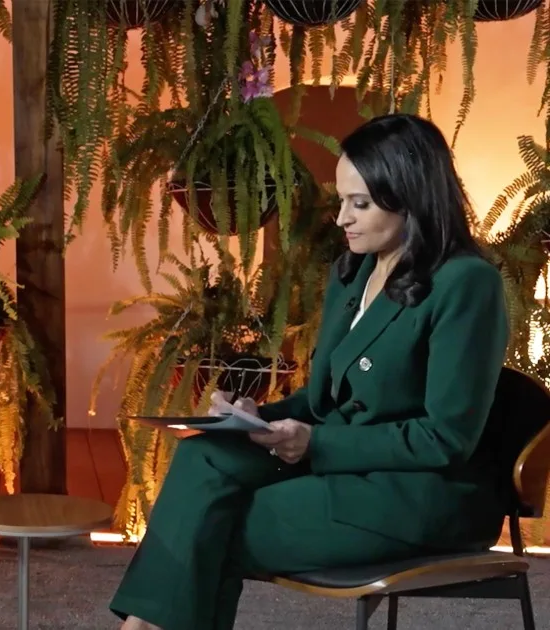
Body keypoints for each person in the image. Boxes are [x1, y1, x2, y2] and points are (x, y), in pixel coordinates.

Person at [110, 113, 511, 630]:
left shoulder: (466, 283)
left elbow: (445, 439)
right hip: (341, 463)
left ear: (410, 197)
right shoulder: (354, 271)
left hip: (419, 492)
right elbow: (326, 400)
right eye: (342, 200)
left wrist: (315, 444)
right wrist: (257, 418)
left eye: (359, 204)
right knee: (203, 455)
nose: (342, 218)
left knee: (209, 525)